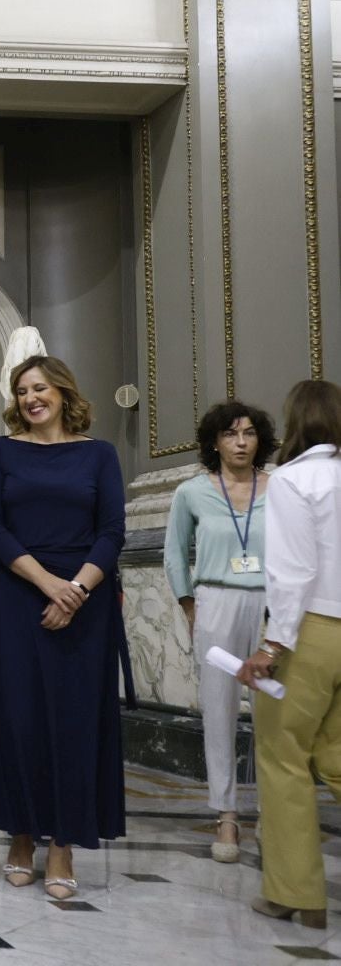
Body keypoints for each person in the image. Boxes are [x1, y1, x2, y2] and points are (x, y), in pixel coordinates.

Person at [0, 355, 126, 900]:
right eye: (22, 391)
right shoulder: (0, 451)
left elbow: (113, 529)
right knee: (18, 719)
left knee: (73, 724)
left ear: (63, 392)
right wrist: (50, 585)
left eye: (40, 388)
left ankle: (64, 843)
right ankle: (21, 835)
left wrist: (77, 589)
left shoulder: (99, 454)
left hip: (85, 601)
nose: (31, 398)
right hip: (17, 594)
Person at [235, 379, 341, 930]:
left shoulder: (294, 480)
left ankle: (296, 894)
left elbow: (293, 570)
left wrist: (272, 645)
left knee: (284, 760)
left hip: (313, 633)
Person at [162, 400, 274, 863]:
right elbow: (173, 552)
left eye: (249, 433)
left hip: (270, 604)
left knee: (273, 715)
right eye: (231, 434)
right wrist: (190, 605)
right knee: (219, 710)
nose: (241, 442)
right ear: (215, 442)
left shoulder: (280, 487)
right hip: (215, 600)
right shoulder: (192, 492)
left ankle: (272, 815)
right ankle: (226, 815)